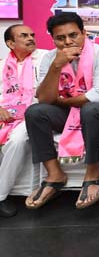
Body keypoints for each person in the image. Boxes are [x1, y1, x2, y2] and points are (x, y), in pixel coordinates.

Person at [24, 12, 99, 210]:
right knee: (35, 112)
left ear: (84, 33)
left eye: (73, 35)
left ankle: (93, 173)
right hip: (69, 110)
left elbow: (98, 95)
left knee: (90, 109)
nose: (68, 42)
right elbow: (44, 98)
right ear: (53, 39)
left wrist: (59, 101)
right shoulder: (50, 58)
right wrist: (57, 66)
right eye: (60, 38)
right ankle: (54, 174)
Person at [0, 25, 47, 217]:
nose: (31, 38)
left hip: (33, 114)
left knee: (17, 141)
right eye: (24, 35)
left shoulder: (45, 58)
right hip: (5, 114)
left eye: (32, 34)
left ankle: (0, 196)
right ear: (10, 43)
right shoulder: (2, 65)